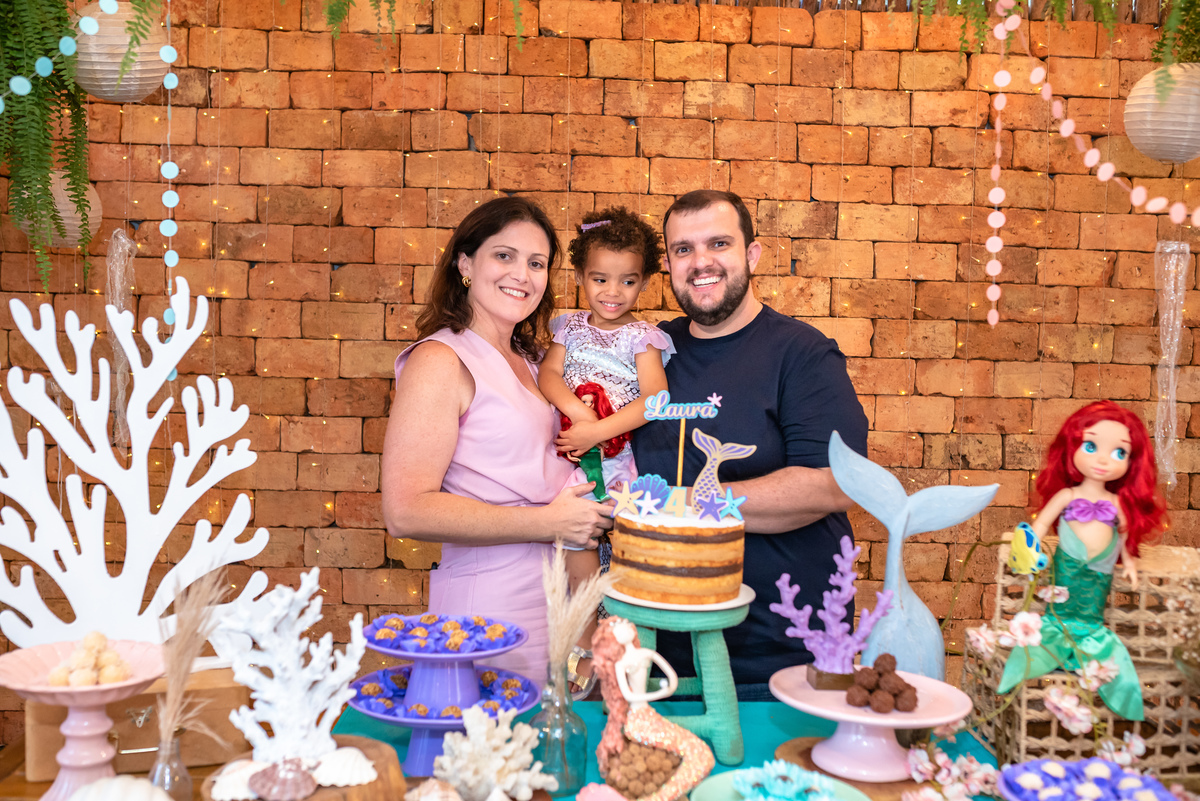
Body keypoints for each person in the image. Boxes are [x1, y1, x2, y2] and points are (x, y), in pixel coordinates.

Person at [630, 189, 869, 697]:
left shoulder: (802, 354)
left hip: (779, 658)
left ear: (752, 254)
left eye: (718, 243)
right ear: (667, 264)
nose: (701, 262)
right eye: (683, 249)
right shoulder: (649, 351)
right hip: (659, 654)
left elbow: (833, 485)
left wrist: (683, 504)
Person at [381, 196, 612, 682]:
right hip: (489, 607)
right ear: (465, 264)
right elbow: (405, 510)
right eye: (504, 256)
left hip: (560, 599)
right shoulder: (440, 360)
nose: (522, 275)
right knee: (491, 727)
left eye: (536, 263)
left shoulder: (535, 362)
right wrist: (549, 522)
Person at [538, 207, 673, 689]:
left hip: (615, 460)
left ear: (644, 282)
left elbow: (656, 400)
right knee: (576, 537)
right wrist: (578, 413)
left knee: (621, 539)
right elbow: (548, 375)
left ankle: (624, 646)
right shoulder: (569, 328)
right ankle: (583, 645)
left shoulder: (642, 338)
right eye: (600, 279)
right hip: (569, 455)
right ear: (580, 276)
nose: (612, 292)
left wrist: (598, 431)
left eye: (627, 281)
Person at [997, 401, 1167, 720]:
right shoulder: (1068, 496)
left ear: (1132, 461)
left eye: (1119, 452)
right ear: (1071, 448)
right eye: (1091, 446)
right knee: (1061, 605)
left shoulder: (1116, 502)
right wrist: (1029, 547)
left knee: (1091, 612)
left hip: (1100, 571)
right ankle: (1055, 644)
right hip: (1067, 568)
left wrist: (1129, 562)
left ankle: (1089, 648)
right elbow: (1040, 525)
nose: (1103, 459)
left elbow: (1125, 535)